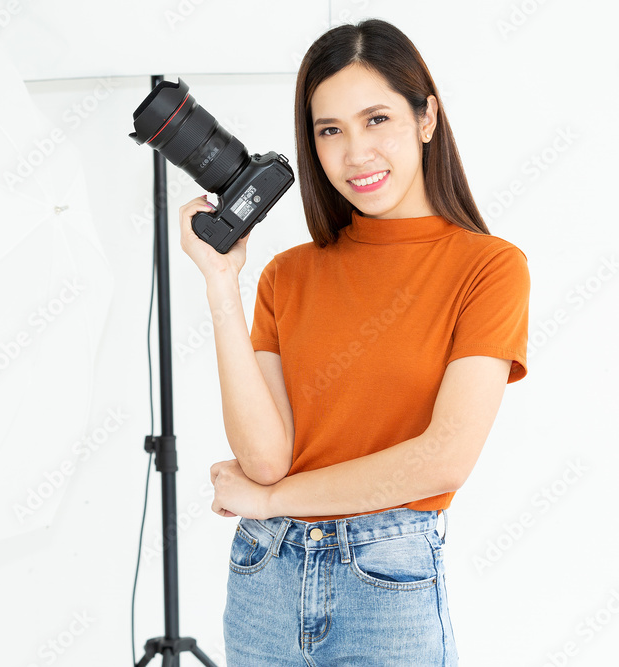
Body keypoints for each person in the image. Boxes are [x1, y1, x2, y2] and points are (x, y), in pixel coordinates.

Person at [177, 18, 529, 666]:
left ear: (426, 119)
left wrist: (274, 501)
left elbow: (442, 459)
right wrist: (221, 283)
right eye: (330, 131)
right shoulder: (287, 275)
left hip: (386, 585)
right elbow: (263, 460)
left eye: (377, 120)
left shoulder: (489, 268)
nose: (355, 153)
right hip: (265, 575)